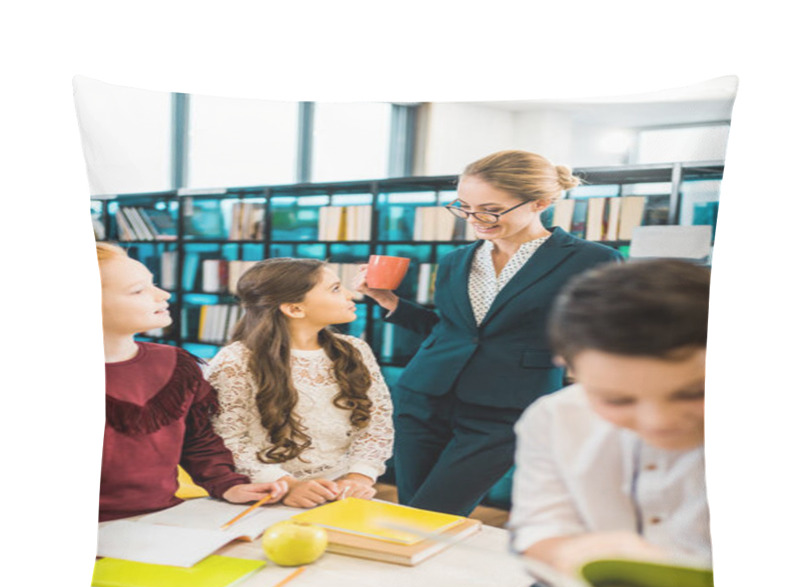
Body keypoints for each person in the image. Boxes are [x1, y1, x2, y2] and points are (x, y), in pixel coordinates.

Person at [326, 259, 739, 587]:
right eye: (618, 399)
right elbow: (540, 526)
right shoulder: (555, 416)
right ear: (567, 365)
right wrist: (572, 558)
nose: (657, 423)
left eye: (694, 393)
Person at [357, 149, 622, 517]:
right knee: (413, 513)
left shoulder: (591, 260)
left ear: (540, 202)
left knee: (437, 512)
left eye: (491, 208)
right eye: (464, 206)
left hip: (505, 408)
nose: (474, 219)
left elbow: (602, 337)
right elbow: (452, 332)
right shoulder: (455, 260)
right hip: (422, 399)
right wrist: (390, 302)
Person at [98, 242, 288, 522]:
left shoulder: (175, 364)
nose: (163, 295)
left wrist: (230, 485)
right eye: (138, 290)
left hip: (162, 519)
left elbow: (199, 442)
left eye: (153, 284)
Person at [207, 258, 394, 509]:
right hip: (267, 492)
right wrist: (288, 486)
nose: (351, 295)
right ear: (295, 309)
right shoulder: (236, 361)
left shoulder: (355, 350)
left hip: (341, 492)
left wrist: (358, 476)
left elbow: (376, 424)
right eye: (335, 288)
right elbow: (227, 439)